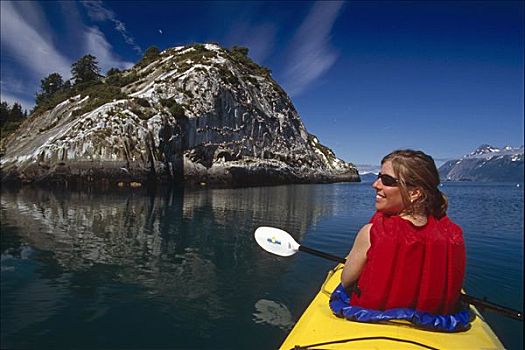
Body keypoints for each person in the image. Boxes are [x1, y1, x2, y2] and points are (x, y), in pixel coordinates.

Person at [340, 149, 466, 315]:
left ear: (414, 193)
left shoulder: (370, 233)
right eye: (379, 177)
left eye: (386, 180)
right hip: (436, 326)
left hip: (372, 321)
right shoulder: (453, 235)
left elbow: (346, 282)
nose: (375, 184)